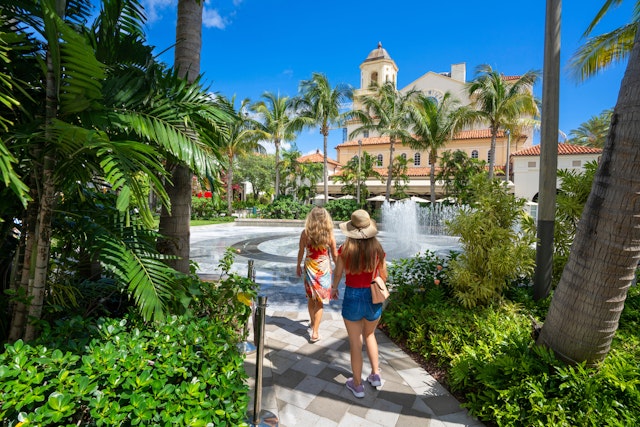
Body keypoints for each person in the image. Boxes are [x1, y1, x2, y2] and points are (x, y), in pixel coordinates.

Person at [331, 209, 387, 398]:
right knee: (370, 335)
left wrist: (333, 288)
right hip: (372, 295)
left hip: (353, 296)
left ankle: (357, 385)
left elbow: (338, 273)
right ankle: (376, 375)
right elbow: (384, 275)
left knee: (355, 342)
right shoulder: (378, 249)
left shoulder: (344, 250)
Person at [296, 207, 338, 343]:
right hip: (323, 269)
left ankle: (313, 323)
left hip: (309, 268)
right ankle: (315, 332)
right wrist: (339, 269)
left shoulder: (305, 233)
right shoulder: (329, 234)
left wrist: (297, 265)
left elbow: (301, 251)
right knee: (320, 301)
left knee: (311, 298)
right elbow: (335, 254)